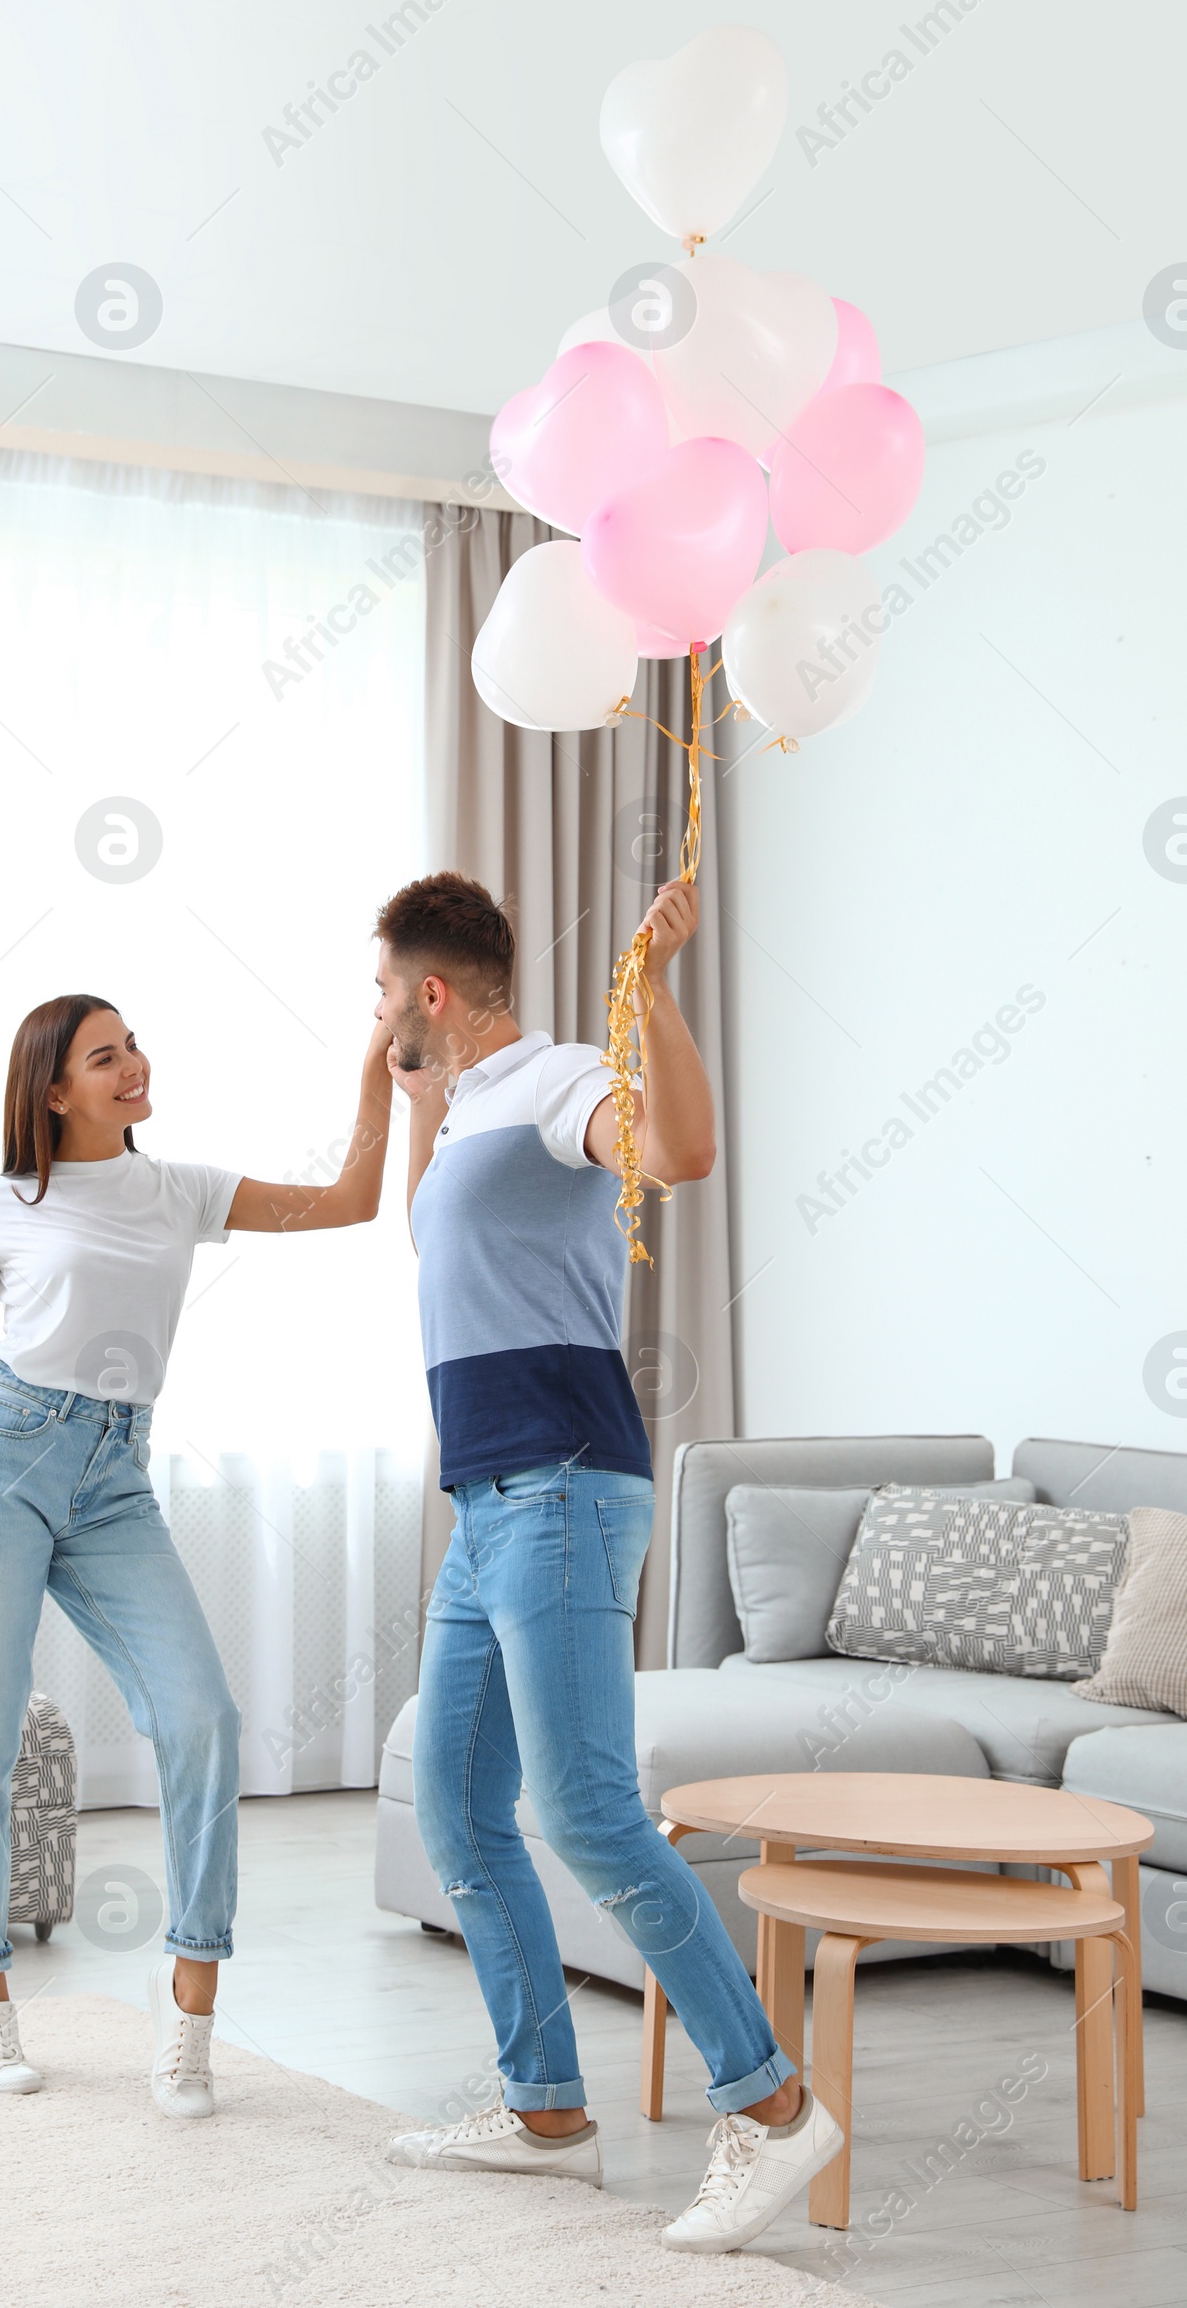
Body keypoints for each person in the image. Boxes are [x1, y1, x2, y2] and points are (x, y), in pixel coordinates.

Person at [0, 992, 392, 2110]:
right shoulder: (6, 1201)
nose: (133, 1066)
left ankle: (189, 2012)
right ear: (53, 1090)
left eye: (134, 1048)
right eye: (104, 1057)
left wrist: (373, 1062)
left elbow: (353, 1203)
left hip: (116, 1476)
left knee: (202, 1716)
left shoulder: (183, 1190)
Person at [372, 874, 841, 2255]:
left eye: (385, 991)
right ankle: (546, 2115)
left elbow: (681, 1153)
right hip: (490, 1504)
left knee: (582, 1810)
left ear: (432, 992)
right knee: (461, 1807)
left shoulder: (561, 1078)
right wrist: (412, 1097)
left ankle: (773, 2108)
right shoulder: (466, 1113)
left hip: (564, 1489)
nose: (378, 1010)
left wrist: (646, 997)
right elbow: (423, 1230)